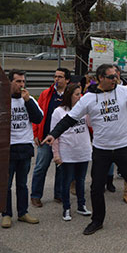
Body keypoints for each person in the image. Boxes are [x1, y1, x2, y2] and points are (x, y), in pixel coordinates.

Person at [44, 64, 127, 235]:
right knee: (97, 188)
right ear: (100, 78)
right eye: (111, 77)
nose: (115, 79)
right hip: (102, 149)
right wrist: (53, 134)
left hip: (124, 147)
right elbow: (69, 119)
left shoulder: (123, 91)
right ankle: (97, 221)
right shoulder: (88, 99)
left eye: (116, 76)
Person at [2, 70, 43, 228]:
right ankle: (6, 214)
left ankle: (23, 212)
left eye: (23, 82)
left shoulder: (29, 100)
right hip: (8, 147)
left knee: (22, 183)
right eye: (18, 81)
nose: (21, 85)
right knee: (6, 184)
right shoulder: (3, 100)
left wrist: (28, 102)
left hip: (25, 146)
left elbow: (38, 119)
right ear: (10, 82)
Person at [50, 83, 93, 221]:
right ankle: (66, 208)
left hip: (83, 150)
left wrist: (91, 110)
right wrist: (56, 154)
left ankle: (81, 205)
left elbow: (91, 124)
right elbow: (54, 134)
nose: (79, 97)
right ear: (69, 95)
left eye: (81, 94)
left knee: (81, 180)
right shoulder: (59, 112)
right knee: (67, 181)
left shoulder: (84, 110)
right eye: (76, 94)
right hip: (67, 151)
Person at [30, 68, 70, 207]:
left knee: (61, 167)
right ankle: (35, 196)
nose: (56, 79)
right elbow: (37, 115)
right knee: (41, 167)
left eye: (60, 77)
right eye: (55, 76)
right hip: (46, 138)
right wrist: (36, 133)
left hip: (63, 138)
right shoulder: (46, 94)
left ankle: (59, 194)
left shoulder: (70, 95)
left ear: (67, 80)